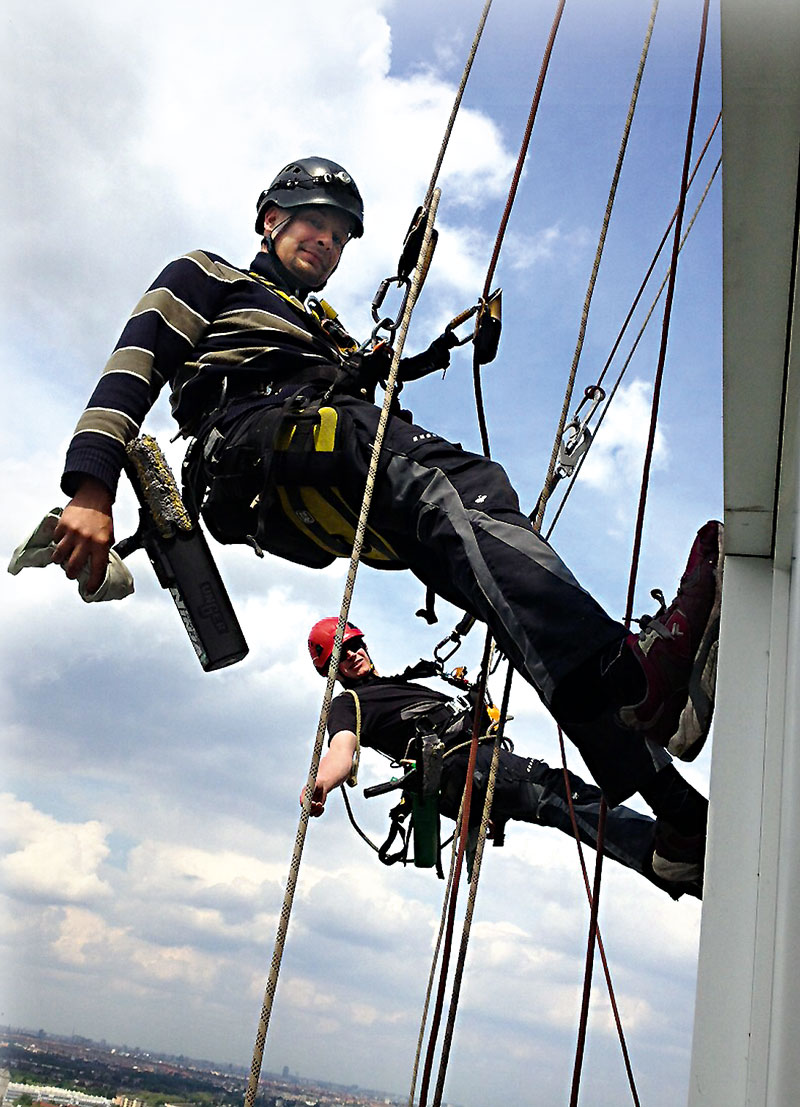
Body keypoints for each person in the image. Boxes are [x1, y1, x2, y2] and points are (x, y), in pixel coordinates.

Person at [51, 155, 721, 879]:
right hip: (256, 440)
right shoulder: (209, 275)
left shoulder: (323, 325)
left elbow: (351, 383)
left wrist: (386, 360)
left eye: (341, 236)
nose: (327, 242)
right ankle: (635, 678)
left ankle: (674, 813)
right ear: (271, 218)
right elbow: (134, 362)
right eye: (314, 222)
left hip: (325, 462)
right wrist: (92, 485)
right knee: (460, 480)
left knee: (512, 602)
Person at [304, 617, 703, 897]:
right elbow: (342, 747)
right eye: (343, 652)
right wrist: (322, 781)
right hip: (469, 765)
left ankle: (671, 860)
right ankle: (665, 856)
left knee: (559, 798)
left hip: (474, 766)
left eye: (356, 644)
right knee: (557, 795)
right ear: (330, 668)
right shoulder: (348, 702)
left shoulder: (399, 684)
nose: (355, 653)